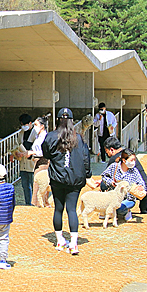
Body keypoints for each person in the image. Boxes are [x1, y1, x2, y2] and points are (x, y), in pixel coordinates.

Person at [40, 108, 91, 255]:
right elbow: (85, 158)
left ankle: (60, 240)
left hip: (57, 178)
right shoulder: (79, 138)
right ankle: (74, 243)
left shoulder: (51, 137)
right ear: (72, 121)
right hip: (75, 179)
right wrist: (87, 174)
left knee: (58, 209)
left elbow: (46, 153)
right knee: (72, 210)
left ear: (58, 120)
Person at [104, 137, 147, 214]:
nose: (107, 154)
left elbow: (108, 176)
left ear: (111, 149)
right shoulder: (129, 155)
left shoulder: (115, 159)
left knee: (104, 185)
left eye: (106, 151)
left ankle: (124, 209)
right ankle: (144, 209)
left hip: (132, 192)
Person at [98, 149, 145, 222]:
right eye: (131, 160)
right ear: (124, 160)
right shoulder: (114, 167)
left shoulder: (134, 171)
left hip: (128, 198)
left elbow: (141, 183)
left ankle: (126, 211)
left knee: (119, 208)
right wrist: (111, 182)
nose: (133, 162)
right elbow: (104, 176)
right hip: (113, 196)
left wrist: (140, 187)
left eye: (134, 160)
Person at [15, 113, 36, 205]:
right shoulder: (21, 133)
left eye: (25, 124)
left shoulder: (35, 133)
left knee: (33, 184)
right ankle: (28, 202)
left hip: (32, 163)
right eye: (22, 125)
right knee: (25, 185)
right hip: (23, 163)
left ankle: (35, 202)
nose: (23, 126)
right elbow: (18, 145)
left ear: (30, 123)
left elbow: (37, 149)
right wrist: (16, 154)